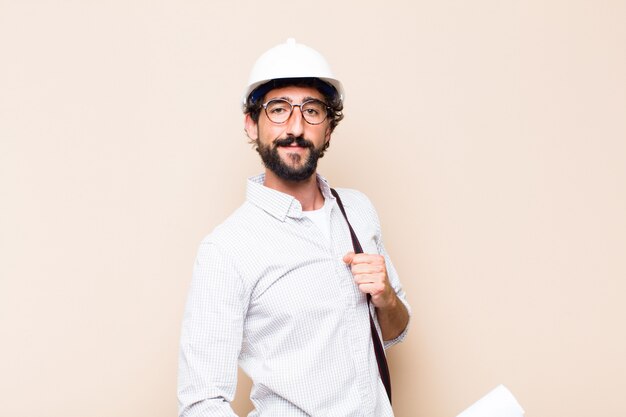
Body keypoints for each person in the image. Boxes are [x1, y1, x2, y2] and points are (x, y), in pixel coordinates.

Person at [178, 38, 410, 417]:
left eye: (312, 111)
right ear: (252, 125)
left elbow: (392, 331)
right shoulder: (227, 249)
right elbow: (201, 402)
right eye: (279, 110)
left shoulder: (359, 210)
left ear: (329, 129)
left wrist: (387, 299)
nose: (296, 127)